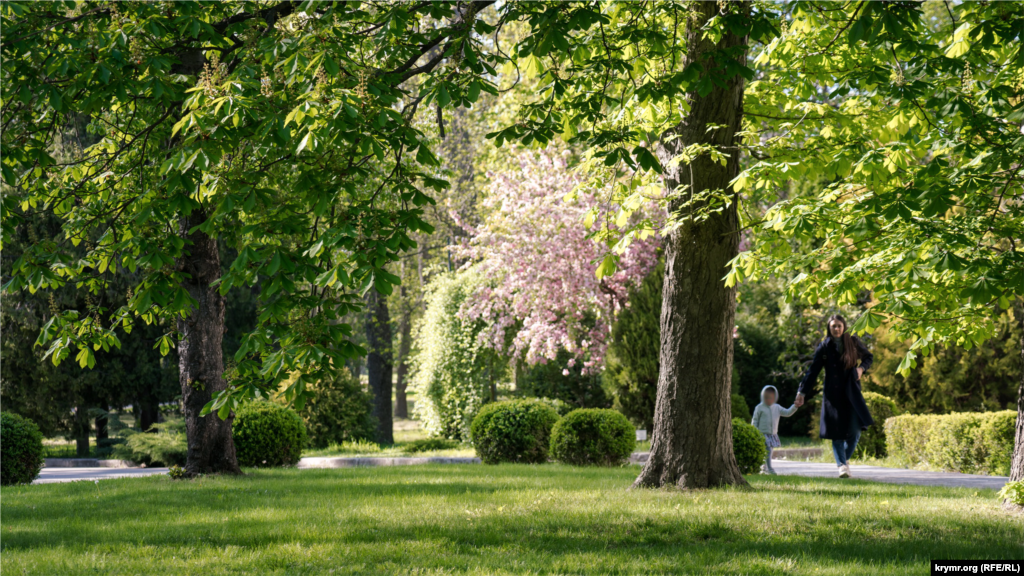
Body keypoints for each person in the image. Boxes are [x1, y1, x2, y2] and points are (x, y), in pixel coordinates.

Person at [794, 314, 874, 478]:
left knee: (855, 432)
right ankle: (842, 466)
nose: (836, 329)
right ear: (829, 329)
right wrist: (801, 393)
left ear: (844, 326)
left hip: (852, 393)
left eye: (839, 325)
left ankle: (843, 460)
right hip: (833, 395)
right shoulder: (824, 346)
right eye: (833, 326)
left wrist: (861, 369)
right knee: (837, 433)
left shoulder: (853, 341)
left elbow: (868, 357)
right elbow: (812, 372)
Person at [751, 385, 798, 475]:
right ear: (763, 397)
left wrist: (794, 406)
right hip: (762, 433)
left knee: (768, 451)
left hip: (772, 434)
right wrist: (754, 432)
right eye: (766, 398)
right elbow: (755, 420)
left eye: (771, 398)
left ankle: (764, 468)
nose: (769, 400)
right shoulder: (759, 408)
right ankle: (770, 469)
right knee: (767, 450)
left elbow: (787, 413)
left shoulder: (777, 407)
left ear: (775, 398)